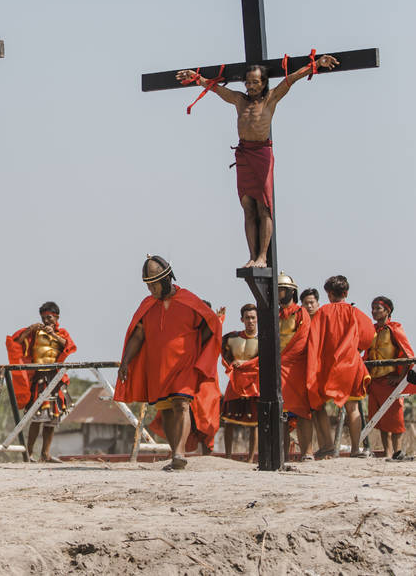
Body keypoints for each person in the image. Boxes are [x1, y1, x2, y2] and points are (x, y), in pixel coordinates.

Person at [176, 55, 339, 268]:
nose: (251, 86)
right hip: (243, 153)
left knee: (264, 207)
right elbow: (215, 88)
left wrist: (315, 65)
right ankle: (252, 256)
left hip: (261, 153)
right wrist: (196, 77)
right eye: (248, 82)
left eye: (256, 82)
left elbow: (291, 79)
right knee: (247, 206)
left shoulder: (271, 98)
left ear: (263, 83)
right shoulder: (239, 99)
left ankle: (263, 257)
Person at [115, 256, 222, 471]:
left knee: (181, 403)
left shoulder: (188, 300)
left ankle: (180, 454)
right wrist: (125, 361)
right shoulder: (147, 306)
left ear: (166, 279)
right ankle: (176, 454)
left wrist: (195, 349)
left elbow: (210, 324)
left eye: (154, 284)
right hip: (159, 367)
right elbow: (138, 335)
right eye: (148, 285)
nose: (151, 289)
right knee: (167, 411)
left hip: (185, 365)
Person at [307, 275, 375, 458]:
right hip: (351, 365)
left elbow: (314, 340)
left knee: (317, 405)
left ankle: (328, 446)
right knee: (353, 408)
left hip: (326, 368)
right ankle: (355, 449)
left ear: (329, 294)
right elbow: (369, 337)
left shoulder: (322, 312)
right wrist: (357, 348)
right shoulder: (355, 313)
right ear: (345, 293)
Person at [5, 302, 78, 462]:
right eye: (44, 318)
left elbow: (69, 346)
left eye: (49, 317)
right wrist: (30, 330)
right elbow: (17, 343)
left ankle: (45, 454)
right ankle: (28, 454)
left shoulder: (62, 333)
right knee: (37, 416)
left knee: (52, 418)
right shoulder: (35, 332)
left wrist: (54, 334)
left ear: (56, 317)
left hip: (56, 377)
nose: (46, 321)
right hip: (40, 377)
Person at [365, 296, 414, 460]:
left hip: (389, 380)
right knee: (379, 418)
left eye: (378, 308)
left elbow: (408, 354)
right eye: (373, 308)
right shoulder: (370, 330)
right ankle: (387, 452)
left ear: (388, 311)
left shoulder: (395, 328)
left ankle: (397, 452)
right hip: (375, 380)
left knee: (395, 418)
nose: (374, 311)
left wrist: (400, 378)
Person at [278, 273, 315, 458]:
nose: (278, 293)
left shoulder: (301, 313)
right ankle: (282, 455)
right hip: (278, 370)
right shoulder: (273, 314)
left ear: (291, 291)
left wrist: (285, 359)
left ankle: (307, 452)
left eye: (282, 289)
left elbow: (302, 340)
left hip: (296, 369)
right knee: (280, 414)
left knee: (301, 413)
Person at [221, 304, 259, 463]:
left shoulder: (263, 339)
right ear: (242, 319)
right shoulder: (231, 337)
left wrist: (243, 362)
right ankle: (228, 456)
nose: (250, 321)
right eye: (247, 318)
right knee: (228, 420)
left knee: (254, 423)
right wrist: (218, 321)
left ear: (257, 320)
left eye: (253, 318)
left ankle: (251, 459)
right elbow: (222, 351)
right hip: (235, 383)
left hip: (254, 384)